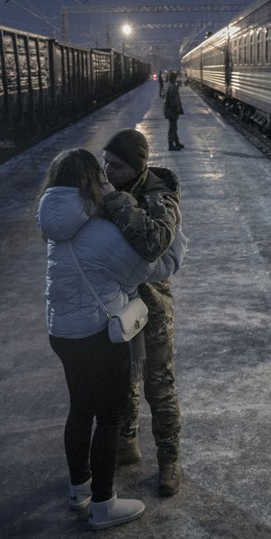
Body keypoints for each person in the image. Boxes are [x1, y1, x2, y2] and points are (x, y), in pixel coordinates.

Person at [37, 148, 187, 529]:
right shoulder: (102, 230)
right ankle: (103, 504)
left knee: (79, 410)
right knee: (109, 417)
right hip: (99, 335)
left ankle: (79, 490)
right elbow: (157, 265)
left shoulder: (55, 228)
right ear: (92, 181)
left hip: (63, 332)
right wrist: (176, 235)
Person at [101, 128, 184, 496]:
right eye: (104, 162)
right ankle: (127, 444)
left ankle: (169, 461)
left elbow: (152, 243)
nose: (107, 171)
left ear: (136, 167)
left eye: (115, 165)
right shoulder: (117, 189)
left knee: (159, 384)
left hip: (152, 306)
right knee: (122, 381)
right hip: (117, 303)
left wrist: (115, 202)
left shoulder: (159, 196)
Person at [161, 72, 184, 151]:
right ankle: (171, 145)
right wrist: (176, 109)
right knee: (172, 128)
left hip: (168, 110)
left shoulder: (167, 86)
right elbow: (172, 101)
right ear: (173, 78)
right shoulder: (172, 87)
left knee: (174, 127)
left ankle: (177, 142)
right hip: (172, 110)